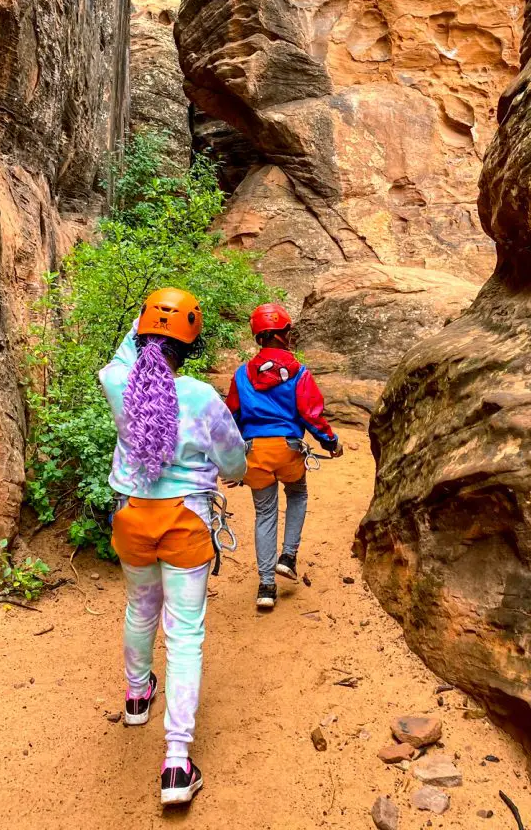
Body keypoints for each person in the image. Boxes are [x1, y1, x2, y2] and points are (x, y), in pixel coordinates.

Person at [99, 288, 246, 807]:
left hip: (132, 516)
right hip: (185, 521)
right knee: (184, 635)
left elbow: (122, 358)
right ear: (194, 343)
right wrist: (229, 473)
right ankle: (177, 764)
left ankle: (137, 695)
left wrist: (145, 322)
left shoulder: (120, 383)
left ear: (138, 337)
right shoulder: (201, 396)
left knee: (140, 609)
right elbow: (233, 464)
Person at [225, 303, 343, 610]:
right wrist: (330, 442)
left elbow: (232, 418)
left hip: (255, 453)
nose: (290, 335)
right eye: (288, 331)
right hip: (288, 450)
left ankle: (266, 587)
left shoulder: (241, 375)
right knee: (298, 495)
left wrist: (234, 460)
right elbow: (312, 415)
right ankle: (288, 556)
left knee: (264, 514)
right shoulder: (299, 373)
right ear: (279, 335)